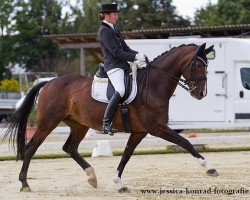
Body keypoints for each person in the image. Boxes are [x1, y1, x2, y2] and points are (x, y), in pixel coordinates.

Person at [98, 3, 147, 135]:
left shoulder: (114, 29)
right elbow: (116, 52)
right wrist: (135, 56)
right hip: (113, 66)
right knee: (120, 90)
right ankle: (105, 123)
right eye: (115, 14)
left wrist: (139, 55)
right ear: (107, 15)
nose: (117, 17)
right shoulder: (104, 31)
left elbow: (125, 49)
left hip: (123, 66)